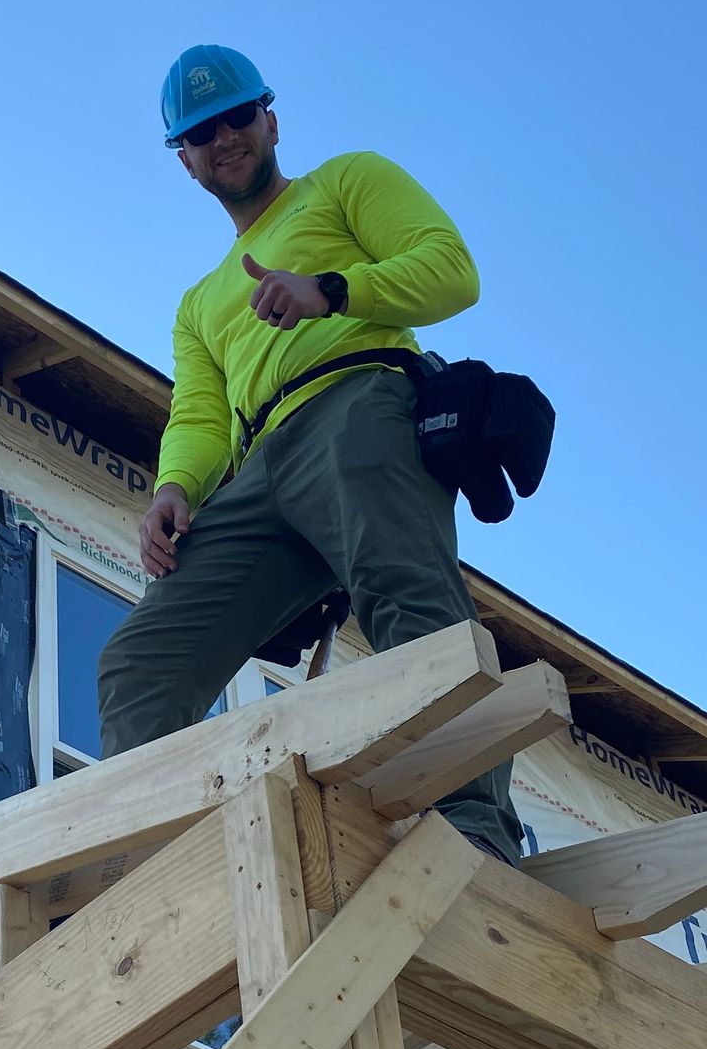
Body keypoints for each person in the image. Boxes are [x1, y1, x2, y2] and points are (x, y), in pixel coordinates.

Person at [94, 43, 523, 865]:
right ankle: (144, 867)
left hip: (358, 402)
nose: (223, 137)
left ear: (271, 118)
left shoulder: (346, 181)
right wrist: (176, 485)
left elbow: (451, 270)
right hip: (259, 467)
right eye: (199, 132)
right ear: (183, 162)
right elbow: (200, 412)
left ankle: (475, 832)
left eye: (237, 116)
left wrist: (330, 290)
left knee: (405, 594)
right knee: (138, 660)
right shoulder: (197, 305)